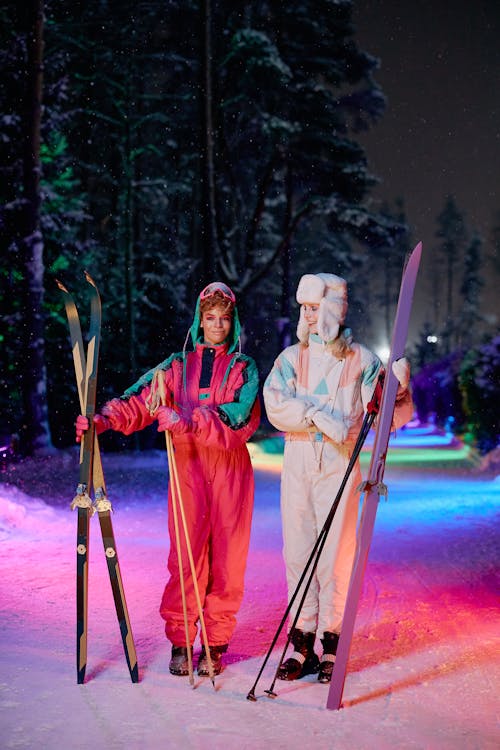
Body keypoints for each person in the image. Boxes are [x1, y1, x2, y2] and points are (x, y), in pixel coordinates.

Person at [76, 282, 260, 677]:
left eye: (224, 319)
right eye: (209, 318)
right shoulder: (177, 366)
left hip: (229, 470)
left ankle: (215, 641)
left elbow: (242, 416)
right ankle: (181, 638)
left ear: (233, 322)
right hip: (188, 468)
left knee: (228, 558)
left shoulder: (244, 367)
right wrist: (103, 420)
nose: (216, 326)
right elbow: (141, 399)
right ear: (199, 319)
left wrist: (189, 420)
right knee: (186, 556)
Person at [263, 273, 413, 684]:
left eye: (314, 308)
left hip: (340, 463)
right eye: (304, 309)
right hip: (297, 461)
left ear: (332, 309)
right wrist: (314, 415)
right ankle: (301, 641)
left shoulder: (361, 360)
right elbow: (275, 403)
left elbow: (385, 415)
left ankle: (331, 642)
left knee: (334, 556)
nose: (307, 317)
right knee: (298, 552)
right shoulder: (291, 358)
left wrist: (396, 388)